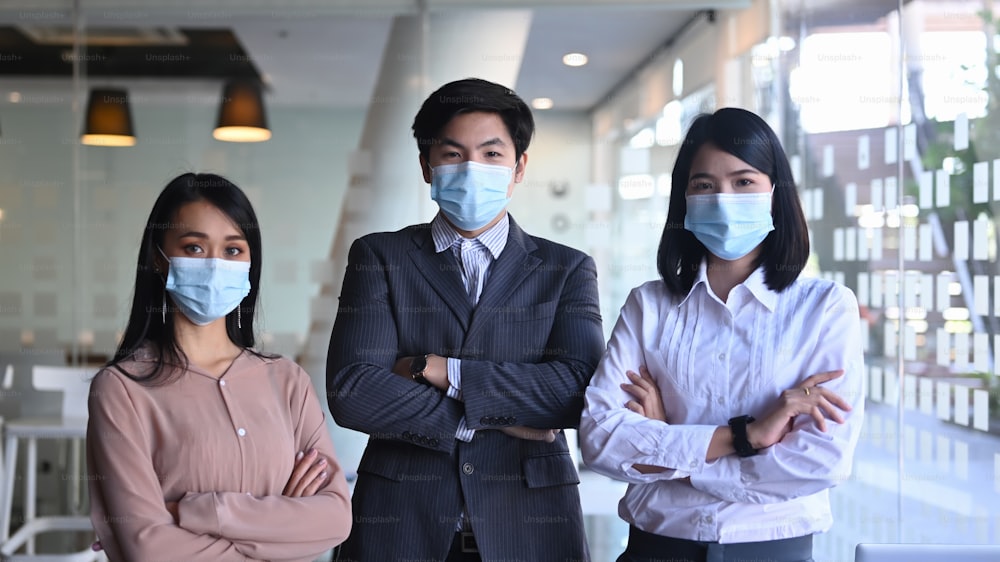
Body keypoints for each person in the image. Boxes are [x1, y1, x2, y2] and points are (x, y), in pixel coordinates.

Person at [326, 77, 604, 562]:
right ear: (426, 166)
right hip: (402, 521)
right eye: (453, 153)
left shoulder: (566, 268)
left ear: (518, 167)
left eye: (492, 154)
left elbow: (577, 391)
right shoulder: (380, 257)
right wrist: (483, 417)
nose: (473, 168)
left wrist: (436, 369)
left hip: (530, 523)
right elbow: (353, 390)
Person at [579, 107, 865, 562]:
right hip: (655, 550)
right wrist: (744, 439)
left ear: (775, 192)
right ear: (684, 199)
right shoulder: (648, 305)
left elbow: (820, 461)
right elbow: (598, 439)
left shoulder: (825, 307)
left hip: (772, 552)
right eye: (704, 185)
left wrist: (670, 446)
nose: (723, 198)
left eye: (743, 181)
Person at [87, 172, 352, 561]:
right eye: (194, 248)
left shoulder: (287, 381)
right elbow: (150, 550)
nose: (215, 265)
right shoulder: (121, 389)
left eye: (232, 250)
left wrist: (200, 513)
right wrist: (282, 527)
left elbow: (334, 519)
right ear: (159, 259)